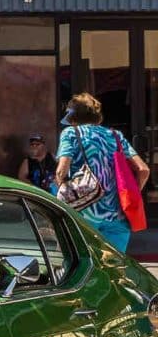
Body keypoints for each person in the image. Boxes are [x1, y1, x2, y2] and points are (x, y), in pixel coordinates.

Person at [57, 94, 150, 252]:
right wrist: (128, 194)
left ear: (73, 117)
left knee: (82, 265)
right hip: (117, 217)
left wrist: (63, 189)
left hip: (83, 215)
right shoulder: (116, 136)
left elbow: (61, 171)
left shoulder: (71, 133)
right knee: (114, 268)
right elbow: (143, 170)